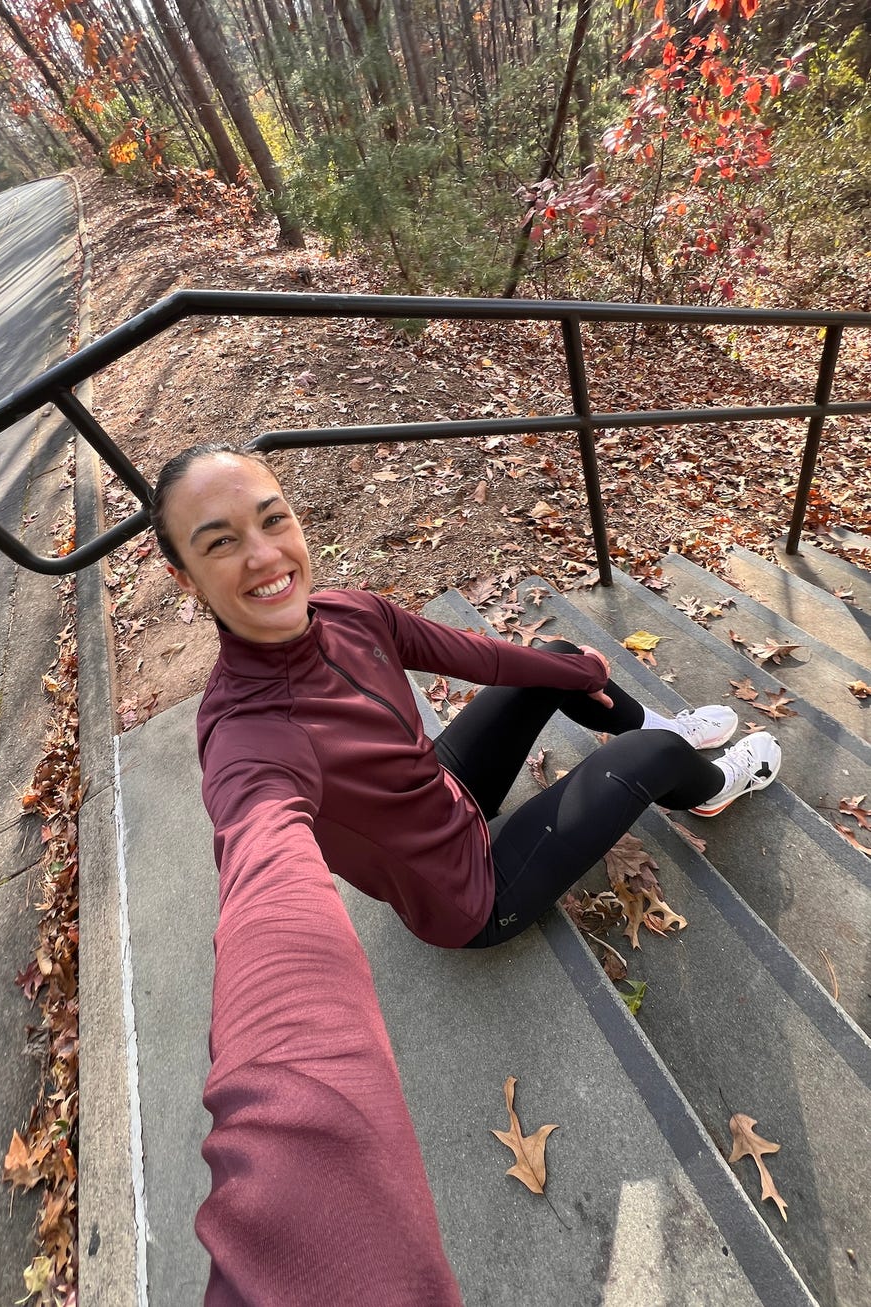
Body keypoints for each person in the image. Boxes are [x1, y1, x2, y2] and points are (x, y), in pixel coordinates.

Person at [149, 442, 783, 1306]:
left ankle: (659, 731)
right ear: (185, 578)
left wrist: (579, 674)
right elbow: (264, 878)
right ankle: (706, 783)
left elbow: (471, 654)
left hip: (441, 788)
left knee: (557, 655)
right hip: (467, 892)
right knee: (658, 752)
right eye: (220, 542)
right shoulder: (248, 742)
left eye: (273, 519)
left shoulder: (347, 612)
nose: (264, 556)